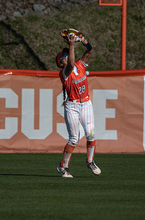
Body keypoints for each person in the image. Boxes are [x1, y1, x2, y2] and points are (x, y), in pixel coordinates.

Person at [55, 33, 101, 178]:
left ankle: (90, 161)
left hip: (86, 103)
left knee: (91, 134)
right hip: (72, 106)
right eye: (65, 56)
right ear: (61, 62)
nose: (67, 56)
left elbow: (90, 51)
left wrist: (83, 40)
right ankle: (63, 167)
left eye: (68, 54)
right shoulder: (64, 72)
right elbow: (70, 64)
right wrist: (71, 44)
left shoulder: (80, 65)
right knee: (74, 139)